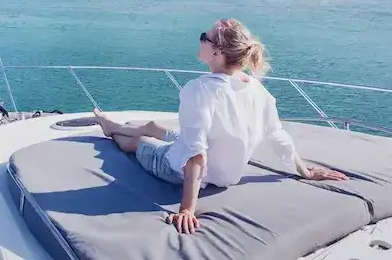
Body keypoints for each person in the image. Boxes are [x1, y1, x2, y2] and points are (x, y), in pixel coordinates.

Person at [93, 18, 349, 235]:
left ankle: (111, 130)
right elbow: (277, 134)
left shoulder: (200, 90)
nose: (200, 38)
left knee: (138, 144)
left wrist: (187, 209)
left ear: (217, 53)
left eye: (205, 36)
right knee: (157, 127)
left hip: (177, 168)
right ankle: (134, 126)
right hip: (225, 174)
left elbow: (196, 154)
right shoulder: (255, 88)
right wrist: (304, 171)